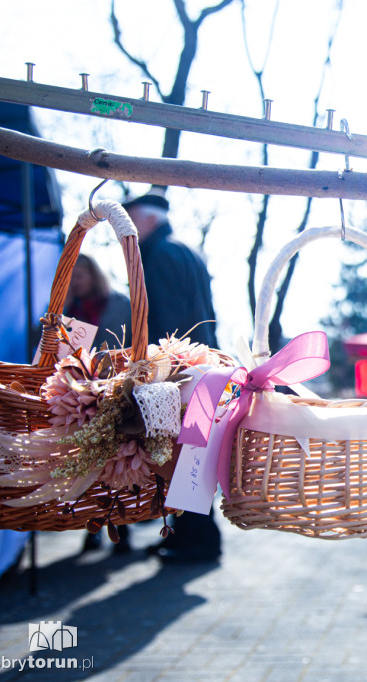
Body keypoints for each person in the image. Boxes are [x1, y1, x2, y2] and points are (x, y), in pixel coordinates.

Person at [123, 191, 222, 564]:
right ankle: (191, 538)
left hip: (177, 371)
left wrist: (152, 369)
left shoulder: (158, 256)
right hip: (203, 367)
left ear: (147, 219)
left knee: (181, 456)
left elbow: (164, 318)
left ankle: (198, 541)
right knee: (191, 454)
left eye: (131, 220)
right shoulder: (186, 251)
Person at [65, 253, 133, 555]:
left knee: (117, 464)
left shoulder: (118, 303)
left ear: (94, 274)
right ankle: (91, 528)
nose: (76, 281)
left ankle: (123, 528)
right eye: (72, 277)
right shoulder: (69, 309)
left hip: (116, 392)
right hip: (80, 396)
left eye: (80, 275)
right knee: (87, 464)